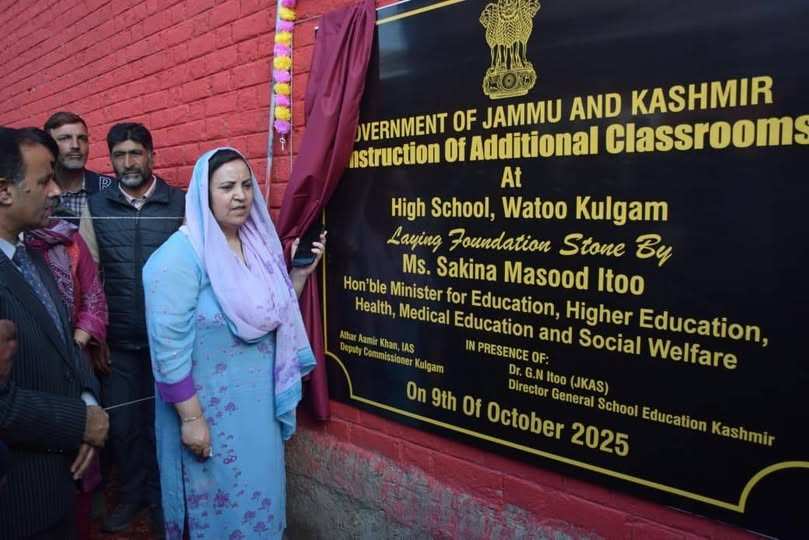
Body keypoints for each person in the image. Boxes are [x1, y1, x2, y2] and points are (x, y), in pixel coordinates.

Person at [143, 148, 325, 539]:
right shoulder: (179, 258)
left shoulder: (258, 247)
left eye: (246, 185)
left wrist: (297, 277)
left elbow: (270, 313)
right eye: (226, 187)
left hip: (257, 416)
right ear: (203, 194)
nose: (240, 196)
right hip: (207, 415)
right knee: (217, 512)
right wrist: (192, 420)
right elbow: (167, 349)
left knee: (261, 504)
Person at [0, 127, 108, 539]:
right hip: (17, 500)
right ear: (4, 191)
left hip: (57, 488)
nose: (56, 192)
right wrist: (79, 422)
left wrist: (87, 398)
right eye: (45, 180)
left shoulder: (33, 255)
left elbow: (64, 340)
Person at [79, 122, 185, 534]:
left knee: (165, 426)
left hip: (169, 343)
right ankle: (131, 496)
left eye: (135, 153)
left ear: (151, 156)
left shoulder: (179, 204)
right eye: (119, 155)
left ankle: (162, 500)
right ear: (111, 159)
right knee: (123, 427)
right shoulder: (96, 206)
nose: (128, 163)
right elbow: (89, 277)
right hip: (119, 344)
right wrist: (98, 334)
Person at [26, 215, 108, 540]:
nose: (54, 193)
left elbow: (93, 298)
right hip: (27, 370)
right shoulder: (17, 252)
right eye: (45, 188)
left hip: (75, 360)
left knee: (82, 454)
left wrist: (75, 344)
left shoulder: (69, 239)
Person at [44, 112, 114, 221]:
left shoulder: (111, 189)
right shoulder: (38, 193)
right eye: (65, 138)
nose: (76, 146)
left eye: (82, 138)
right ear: (48, 146)